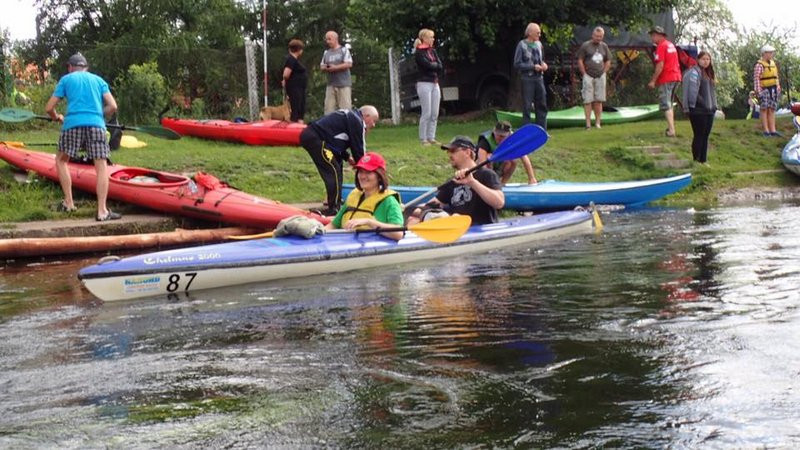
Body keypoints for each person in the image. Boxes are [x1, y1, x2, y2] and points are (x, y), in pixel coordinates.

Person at [44, 52, 120, 221]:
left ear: (70, 67)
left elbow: (49, 107)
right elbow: (113, 106)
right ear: (86, 68)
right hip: (96, 126)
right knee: (101, 167)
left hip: (72, 125)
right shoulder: (98, 80)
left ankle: (69, 203)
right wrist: (98, 114)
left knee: (62, 160)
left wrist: (56, 117)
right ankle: (102, 211)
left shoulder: (66, 79)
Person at [300, 105, 379, 216]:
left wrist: (347, 157)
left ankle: (336, 202)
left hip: (318, 138)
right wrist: (366, 168)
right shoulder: (357, 121)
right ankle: (334, 208)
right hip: (316, 138)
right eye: (374, 121)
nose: (373, 125)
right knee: (333, 170)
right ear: (366, 116)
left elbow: (335, 141)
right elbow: (359, 149)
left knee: (338, 164)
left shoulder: (350, 117)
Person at [409, 136, 504, 226]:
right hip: (458, 230)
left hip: (481, 230)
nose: (449, 155)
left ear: (467, 152)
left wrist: (472, 182)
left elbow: (499, 202)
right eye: (448, 152)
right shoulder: (453, 181)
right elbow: (432, 204)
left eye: (453, 151)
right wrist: (411, 209)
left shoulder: (487, 174)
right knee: (413, 220)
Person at [327, 152, 404, 241]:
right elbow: (333, 225)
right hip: (345, 243)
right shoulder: (354, 195)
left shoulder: (389, 201)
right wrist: (319, 232)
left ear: (379, 176)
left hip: (372, 247)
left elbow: (398, 233)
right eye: (360, 172)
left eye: (368, 172)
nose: (363, 176)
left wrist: (369, 222)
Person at [682, 51, 717, 165]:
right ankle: (696, 160)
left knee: (706, 135)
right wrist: (704, 104)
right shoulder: (694, 73)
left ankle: (703, 160)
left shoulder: (709, 73)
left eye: (708, 59)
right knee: (699, 135)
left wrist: (713, 106)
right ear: (698, 60)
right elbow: (693, 92)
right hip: (698, 110)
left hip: (709, 110)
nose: (706, 61)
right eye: (703, 59)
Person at [476, 120, 537, 185]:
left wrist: (532, 178)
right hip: (483, 168)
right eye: (498, 135)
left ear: (509, 134)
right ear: (494, 131)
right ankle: (489, 183)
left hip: (499, 166)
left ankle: (502, 184)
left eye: (503, 136)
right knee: (488, 157)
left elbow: (524, 157)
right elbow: (482, 163)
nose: (499, 138)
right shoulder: (485, 141)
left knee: (513, 160)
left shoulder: (513, 139)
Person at [647, 26, 681, 137]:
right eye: (651, 35)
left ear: (661, 35)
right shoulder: (670, 45)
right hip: (676, 77)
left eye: (654, 35)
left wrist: (653, 81)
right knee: (669, 104)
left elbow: (660, 65)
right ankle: (671, 128)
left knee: (666, 104)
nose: (652, 37)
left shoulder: (661, 47)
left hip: (667, 78)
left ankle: (671, 130)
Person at [514, 23, 548, 128]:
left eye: (539, 32)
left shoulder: (539, 44)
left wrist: (544, 65)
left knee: (542, 105)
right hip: (527, 79)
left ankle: (542, 130)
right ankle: (526, 131)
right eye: (537, 32)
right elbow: (517, 64)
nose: (539, 34)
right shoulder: (522, 45)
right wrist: (532, 67)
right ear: (530, 33)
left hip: (539, 78)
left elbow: (541, 60)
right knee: (527, 106)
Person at [576, 27, 611, 129]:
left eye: (600, 36)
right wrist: (584, 73)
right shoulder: (585, 46)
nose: (598, 38)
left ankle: (597, 123)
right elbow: (580, 60)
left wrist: (604, 71)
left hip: (600, 76)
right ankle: (588, 124)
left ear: (602, 37)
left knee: (598, 100)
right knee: (587, 100)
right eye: (596, 36)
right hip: (588, 76)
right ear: (592, 35)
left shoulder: (604, 46)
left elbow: (608, 60)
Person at [414, 28, 444, 146]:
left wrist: (434, 65)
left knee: (434, 113)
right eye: (431, 37)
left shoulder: (433, 51)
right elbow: (426, 65)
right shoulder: (419, 52)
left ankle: (431, 137)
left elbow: (440, 65)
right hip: (424, 83)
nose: (433, 39)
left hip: (435, 83)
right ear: (424, 38)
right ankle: (423, 138)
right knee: (426, 112)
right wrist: (434, 65)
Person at [320, 31, 353, 114]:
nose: (328, 41)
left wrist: (336, 67)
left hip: (343, 85)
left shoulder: (344, 50)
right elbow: (322, 66)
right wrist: (327, 68)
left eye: (329, 39)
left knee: (345, 110)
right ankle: (328, 126)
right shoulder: (326, 53)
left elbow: (349, 63)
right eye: (326, 39)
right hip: (331, 85)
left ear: (335, 39)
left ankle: (346, 126)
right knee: (328, 110)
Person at [754, 44, 781, 137]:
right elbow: (756, 78)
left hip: (773, 89)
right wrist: (758, 91)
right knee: (764, 109)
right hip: (764, 89)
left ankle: (773, 130)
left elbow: (776, 77)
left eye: (772, 53)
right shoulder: (759, 65)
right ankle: (766, 131)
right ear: (764, 53)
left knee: (772, 109)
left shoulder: (773, 64)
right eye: (770, 52)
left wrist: (778, 87)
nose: (771, 54)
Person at [282, 39, 307, 123]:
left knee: (300, 108)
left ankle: (299, 124)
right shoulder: (291, 59)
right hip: (295, 88)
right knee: (295, 108)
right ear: (299, 50)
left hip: (300, 88)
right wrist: (285, 80)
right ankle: (294, 124)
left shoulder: (294, 60)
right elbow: (286, 74)